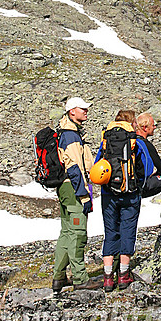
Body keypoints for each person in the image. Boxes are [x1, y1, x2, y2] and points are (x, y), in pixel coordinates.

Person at [95, 110, 154, 292]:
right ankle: (123, 274)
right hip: (130, 193)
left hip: (108, 194)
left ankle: (107, 278)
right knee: (128, 230)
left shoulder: (106, 141)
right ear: (132, 123)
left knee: (110, 231)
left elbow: (97, 166)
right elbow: (148, 168)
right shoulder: (135, 141)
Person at [52, 97, 100, 292]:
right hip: (73, 189)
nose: (86, 112)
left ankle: (59, 277)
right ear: (72, 111)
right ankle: (80, 278)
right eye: (83, 109)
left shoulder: (65, 132)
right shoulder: (71, 136)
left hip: (64, 189)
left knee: (66, 233)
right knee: (78, 234)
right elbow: (75, 168)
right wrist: (84, 195)